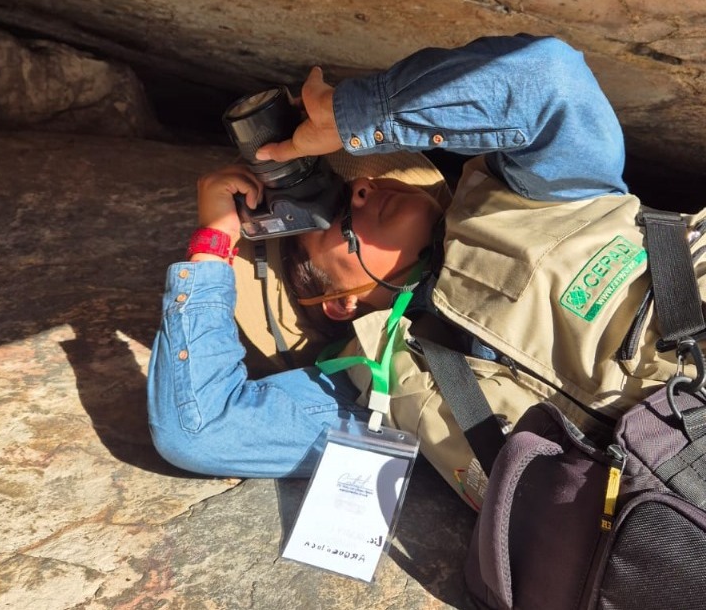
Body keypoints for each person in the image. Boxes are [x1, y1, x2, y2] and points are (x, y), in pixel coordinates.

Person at [147, 34, 706, 508]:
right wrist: (212, 243)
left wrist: (351, 116)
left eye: (352, 184)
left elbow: (549, 77)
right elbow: (201, 428)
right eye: (335, 215)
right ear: (339, 302)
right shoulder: (369, 391)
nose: (361, 186)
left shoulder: (531, 194)